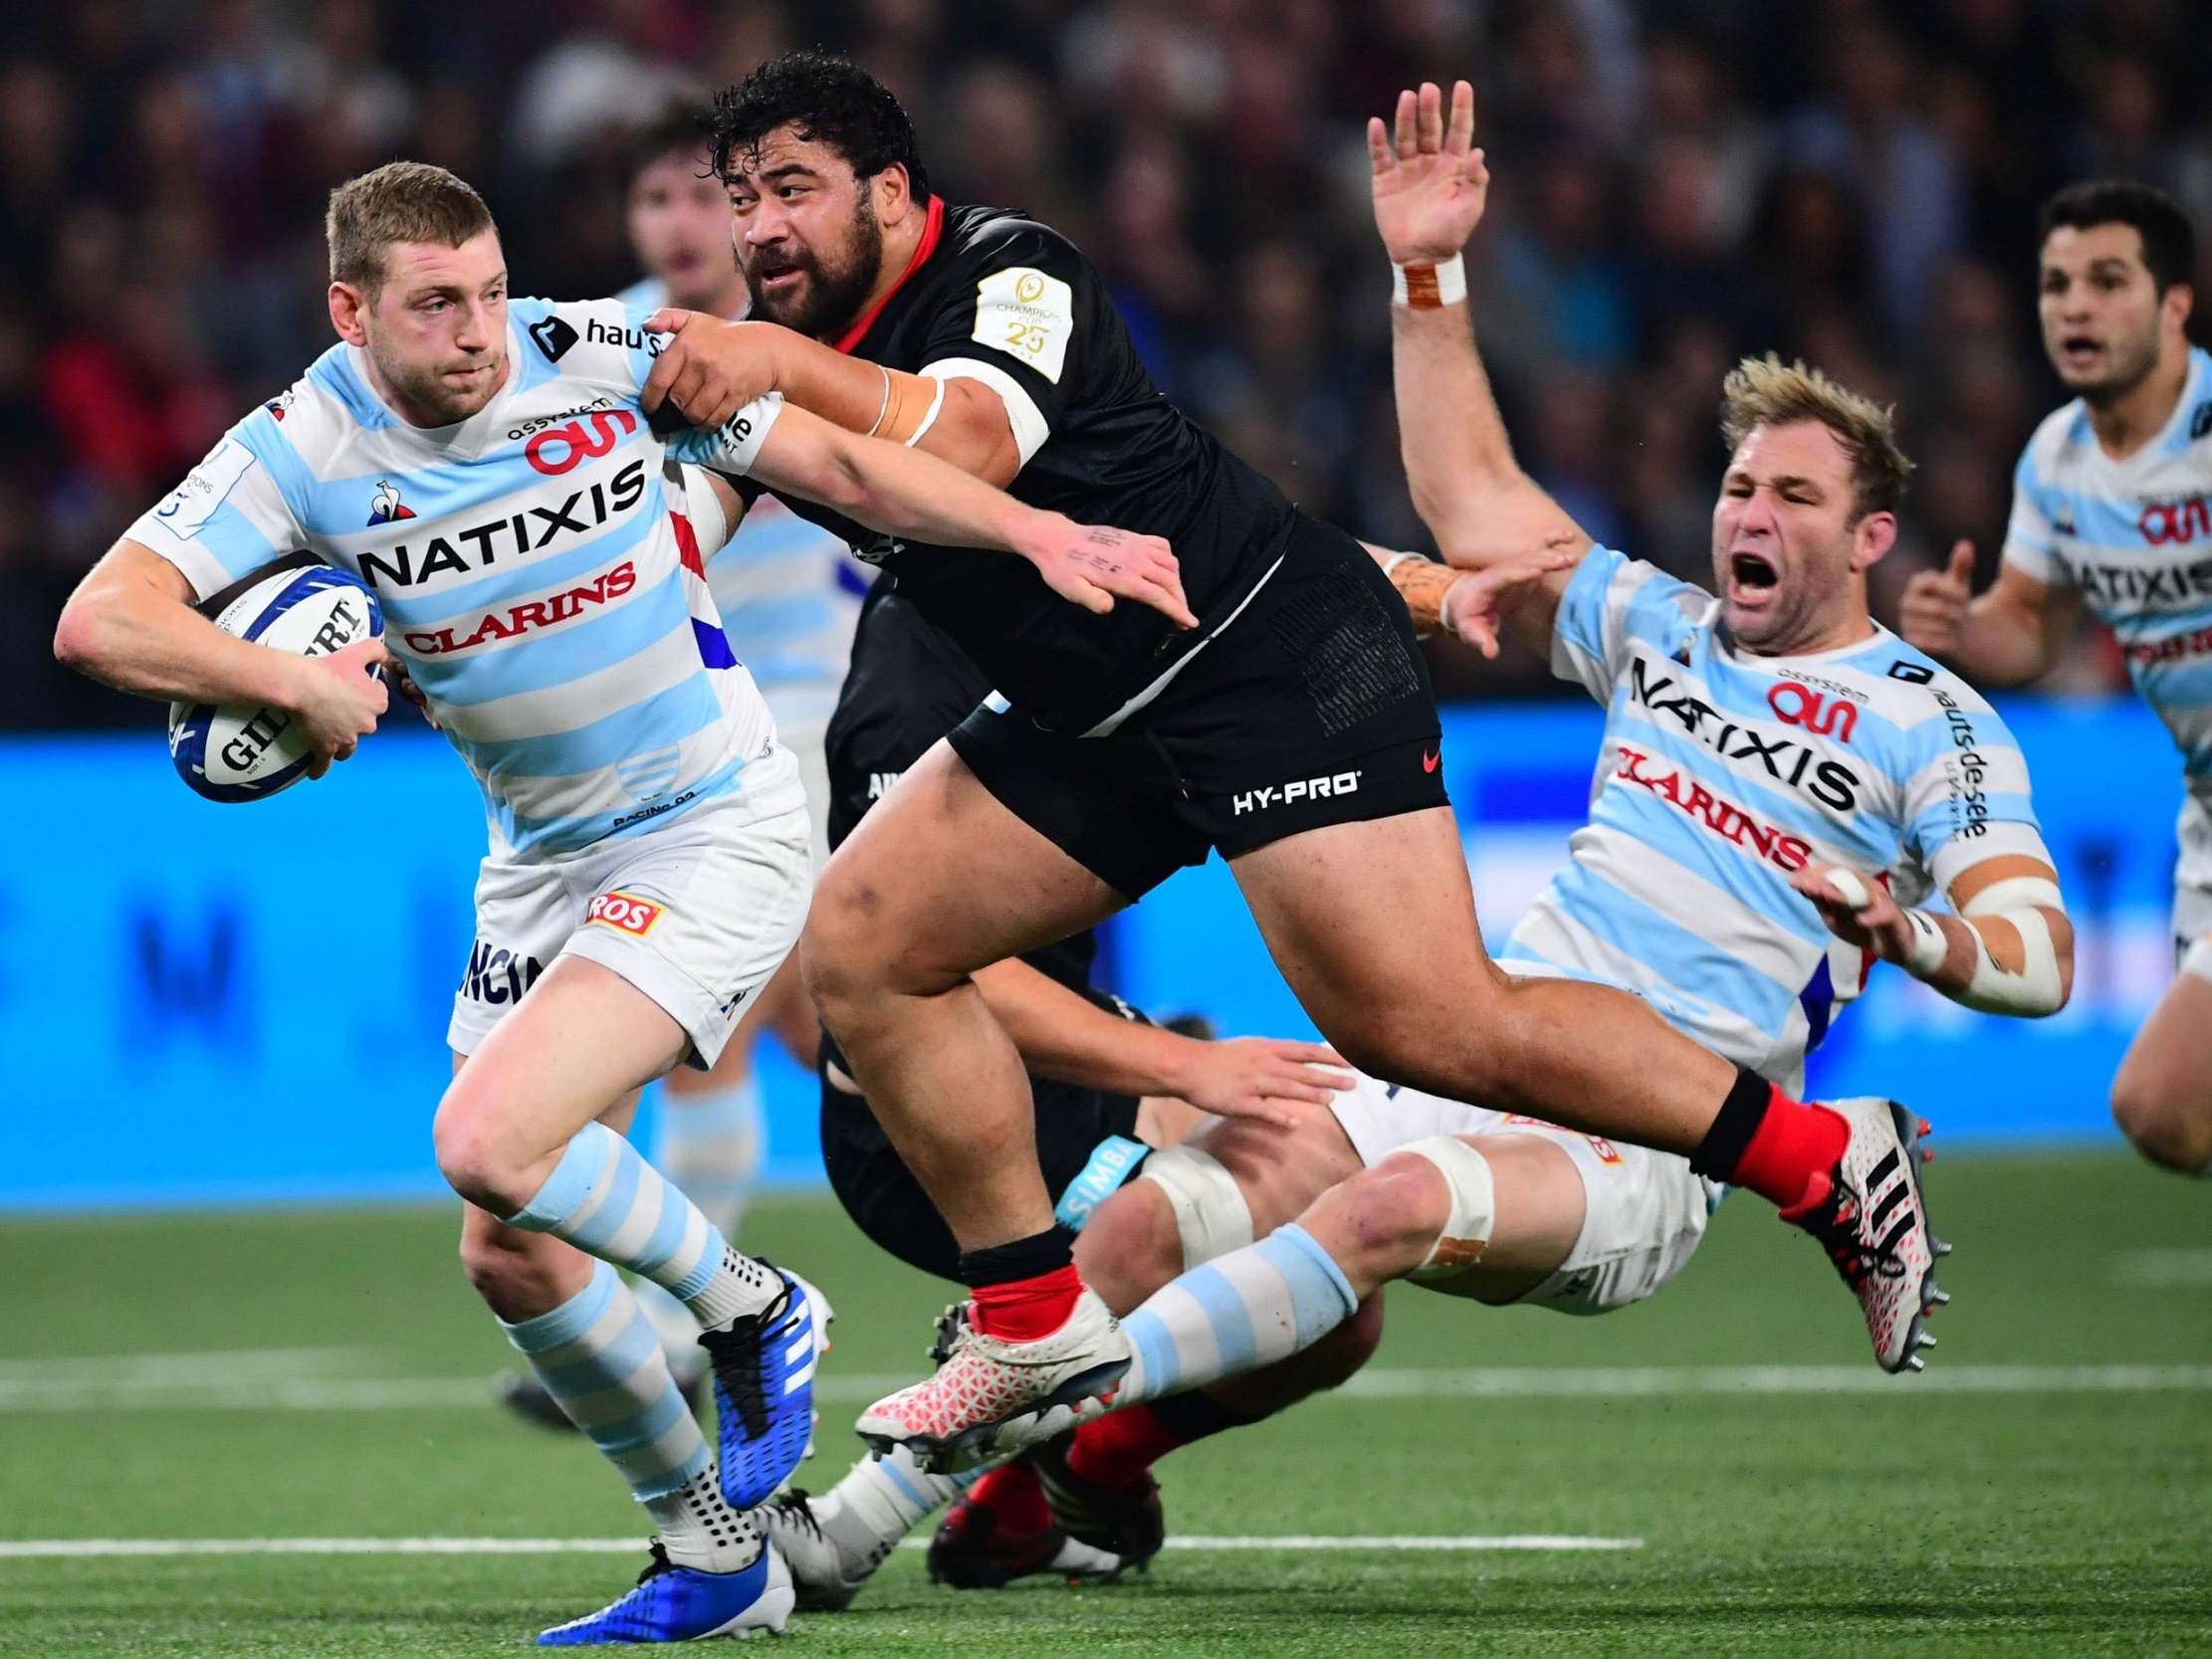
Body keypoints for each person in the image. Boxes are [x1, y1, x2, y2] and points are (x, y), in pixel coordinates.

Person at [639, 53, 1950, 1464]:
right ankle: (1033, 1320)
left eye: (791, 190)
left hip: (1267, 659)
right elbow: (685, 519)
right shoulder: (784, 351)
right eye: (739, 197)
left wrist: (763, 362)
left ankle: (1825, 1162)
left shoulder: (1011, 271)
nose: (758, 226)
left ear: (892, 195)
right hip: (1095, 710)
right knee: (865, 940)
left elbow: (972, 435)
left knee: (1432, 1024)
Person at [908, 124, 2088, 1566]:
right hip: (1497, 1050)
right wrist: (1426, 273)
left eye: (1791, 497)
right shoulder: (1662, 629)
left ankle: (1029, 1428)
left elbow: (2037, 957)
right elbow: (1472, 506)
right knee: (1179, 1202)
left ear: (1870, 538)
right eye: (1736, 489)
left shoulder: (1934, 721)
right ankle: (1058, 1478)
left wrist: (1917, 935)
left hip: (1654, 1141)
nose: (1746, 515)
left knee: (1387, 1204)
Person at [50, 159, 1189, 1645]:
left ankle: (753, 1302)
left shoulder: (586, 349)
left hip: (712, 818)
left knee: (486, 1139)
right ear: (350, 312)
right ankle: (713, 1553)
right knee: (508, 1238)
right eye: (436, 305)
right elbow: (100, 617)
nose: (479, 330)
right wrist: (286, 679)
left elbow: (832, 462)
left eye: (488, 288)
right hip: (540, 858)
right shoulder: (298, 445)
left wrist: (1033, 530)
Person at [759, 573, 1367, 1603]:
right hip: (921, 1121)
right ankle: (851, 1523)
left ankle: (1056, 1481)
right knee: (1296, 1198)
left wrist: (1399, 589)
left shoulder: (1062, 587)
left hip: (1055, 1070)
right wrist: (1183, 1067)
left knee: (1336, 1305)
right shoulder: (916, 687)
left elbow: (1240, 551)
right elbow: (928, 970)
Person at [498, 99, 874, 1429]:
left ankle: (684, 1322)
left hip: (793, 719)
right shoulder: (587, 342)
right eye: (654, 201)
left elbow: (758, 484)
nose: (679, 224)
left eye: (705, 198)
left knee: (707, 1035)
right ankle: (1078, 1189)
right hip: (646, 721)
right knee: (820, 1023)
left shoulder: (790, 340)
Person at [1900, 180, 2212, 1177]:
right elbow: (2028, 629)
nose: (2073, 306)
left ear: (2173, 303)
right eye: (2054, 284)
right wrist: (1960, 626)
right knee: (2165, 1114)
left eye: (2105, 281)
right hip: (2202, 809)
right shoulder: (2056, 460)